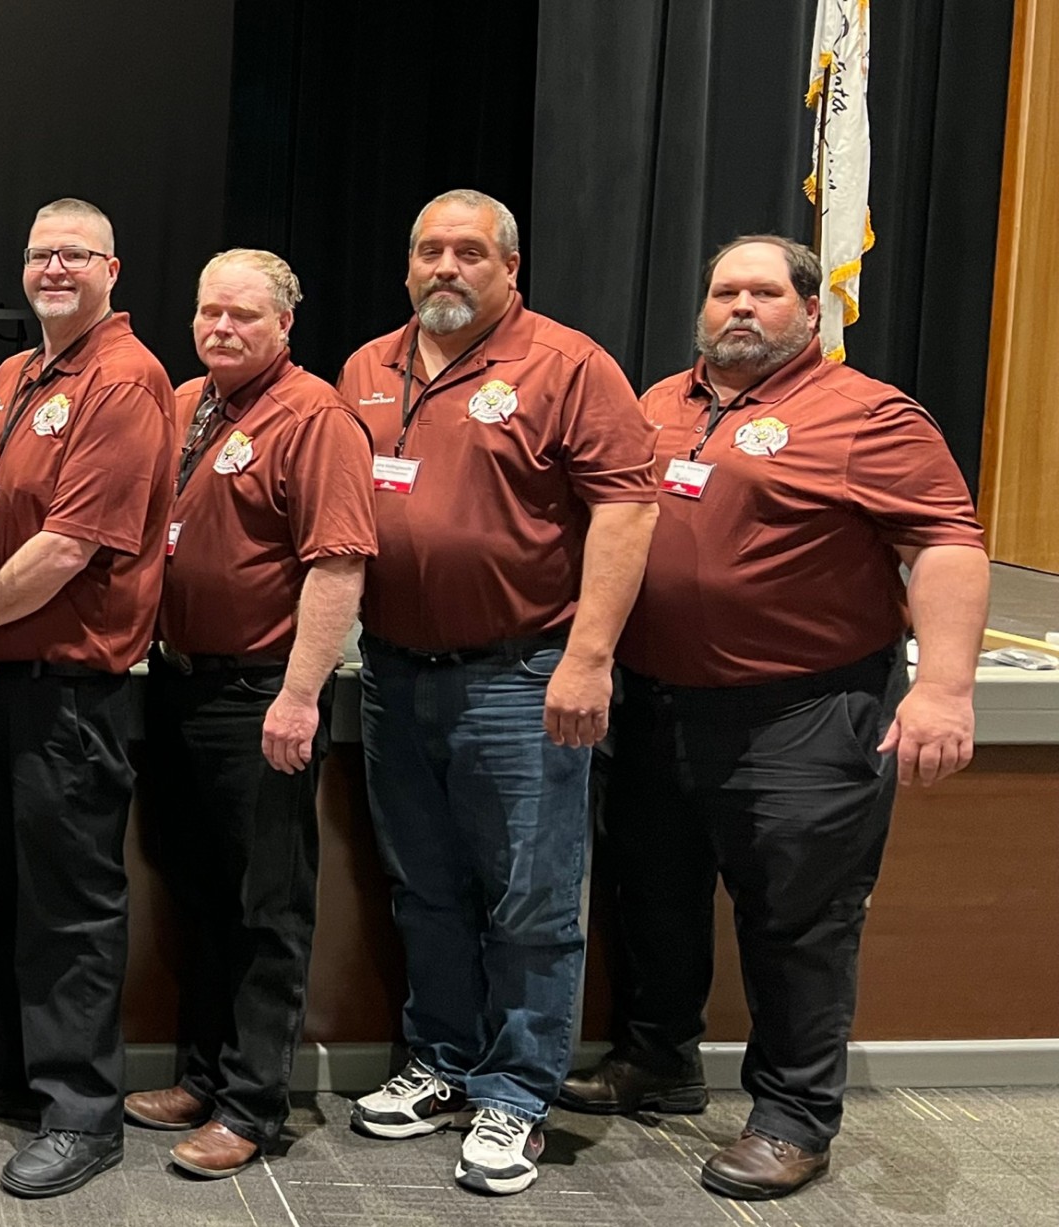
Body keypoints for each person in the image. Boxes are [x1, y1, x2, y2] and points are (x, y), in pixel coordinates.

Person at [567, 234, 989, 1200]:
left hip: (802, 709)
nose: (740, 309)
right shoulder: (656, 404)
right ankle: (656, 1059)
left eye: (764, 293)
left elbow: (947, 545)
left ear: (811, 308)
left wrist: (945, 686)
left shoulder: (868, 414)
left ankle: (794, 1115)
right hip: (658, 702)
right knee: (652, 894)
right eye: (724, 293)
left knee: (797, 919)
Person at [331, 189, 658, 1195]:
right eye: (427, 250)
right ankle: (442, 1059)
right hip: (391, 671)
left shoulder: (566, 365)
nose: (445, 268)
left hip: (522, 677)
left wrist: (589, 656)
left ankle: (515, 1095)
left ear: (509, 268)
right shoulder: (367, 367)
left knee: (530, 898)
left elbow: (627, 509)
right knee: (423, 885)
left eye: (468, 252)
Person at [0, 198, 174, 1199]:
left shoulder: (124, 380)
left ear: (112, 267)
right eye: (39, 254)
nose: (53, 268)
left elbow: (67, 548)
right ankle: (16, 1071)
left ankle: (81, 1113)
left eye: (73, 254)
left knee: (69, 909)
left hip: (69, 690)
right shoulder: (20, 374)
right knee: (8, 890)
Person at [122, 250, 373, 1179]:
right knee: (198, 893)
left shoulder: (317, 418)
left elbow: (338, 563)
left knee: (266, 906)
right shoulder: (189, 403)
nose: (222, 329)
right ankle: (201, 1076)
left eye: (244, 317)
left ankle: (253, 1103)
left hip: (261, 693)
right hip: (180, 684)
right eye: (209, 312)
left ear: (285, 325)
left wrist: (301, 694)